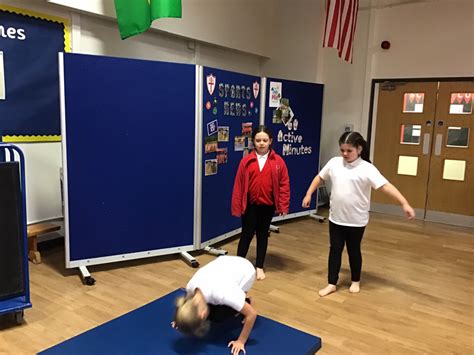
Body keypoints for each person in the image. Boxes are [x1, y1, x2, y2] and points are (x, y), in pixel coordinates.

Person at [302, 131, 415, 297]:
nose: (345, 154)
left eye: (349, 151)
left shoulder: (367, 168)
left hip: (356, 220)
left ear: (359, 149)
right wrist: (309, 194)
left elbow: (386, 186)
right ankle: (331, 282)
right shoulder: (334, 163)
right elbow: (320, 178)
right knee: (335, 250)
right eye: (342, 150)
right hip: (336, 218)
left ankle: (355, 280)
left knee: (353, 250)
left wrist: (404, 203)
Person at [231, 125, 290, 281]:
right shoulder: (246, 161)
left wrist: (283, 205)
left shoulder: (278, 162)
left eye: (265, 140)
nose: (261, 143)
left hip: (268, 206)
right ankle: (238, 266)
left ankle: (259, 266)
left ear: (270, 141)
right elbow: (238, 185)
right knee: (246, 235)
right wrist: (237, 206)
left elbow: (284, 184)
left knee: (262, 235)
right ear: (253, 142)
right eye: (258, 140)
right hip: (250, 206)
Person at [172, 256, 257, 355]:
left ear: (203, 315)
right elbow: (186, 302)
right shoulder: (190, 287)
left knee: (218, 317)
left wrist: (241, 341)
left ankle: (247, 301)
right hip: (224, 263)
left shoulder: (223, 294)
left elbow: (252, 314)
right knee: (215, 312)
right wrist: (182, 319)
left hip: (245, 270)